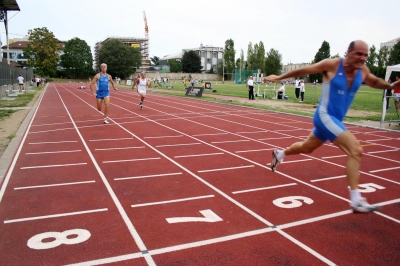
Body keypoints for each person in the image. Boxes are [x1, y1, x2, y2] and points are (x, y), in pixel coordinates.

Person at [265, 40, 400, 213]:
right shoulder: (333, 65)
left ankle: (280, 153)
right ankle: (356, 200)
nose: (362, 58)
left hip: (335, 120)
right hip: (324, 116)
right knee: (355, 150)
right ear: (348, 52)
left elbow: (374, 82)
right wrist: (279, 77)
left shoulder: (363, 71)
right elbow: (304, 70)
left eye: (366, 55)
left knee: (307, 147)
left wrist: (390, 86)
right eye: (359, 53)